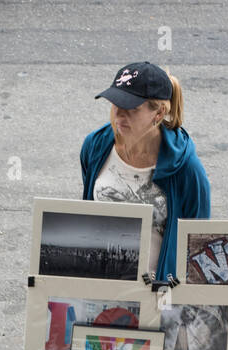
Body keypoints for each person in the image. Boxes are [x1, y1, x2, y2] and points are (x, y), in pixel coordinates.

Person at [80, 61, 211, 282]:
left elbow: (197, 246)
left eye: (132, 108)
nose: (119, 115)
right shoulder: (95, 146)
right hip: (101, 286)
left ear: (158, 113)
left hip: (156, 297)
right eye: (115, 104)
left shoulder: (188, 170)